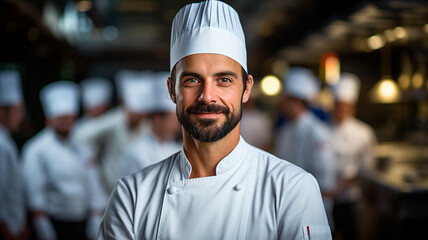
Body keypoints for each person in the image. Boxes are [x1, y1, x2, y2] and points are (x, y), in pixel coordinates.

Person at [97, 1, 331, 239]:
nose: (207, 96)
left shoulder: (292, 189)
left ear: (246, 88)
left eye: (224, 80)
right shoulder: (132, 196)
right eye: (192, 80)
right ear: (171, 90)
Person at [22, 81, 106, 240]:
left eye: (70, 118)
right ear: (49, 119)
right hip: (54, 224)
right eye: (61, 118)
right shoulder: (36, 149)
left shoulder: (82, 148)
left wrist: (94, 224)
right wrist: (45, 232)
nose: (67, 122)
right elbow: (35, 197)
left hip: (83, 225)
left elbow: (94, 188)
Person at [74, 71, 153, 196]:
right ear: (124, 105)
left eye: (141, 112)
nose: (137, 116)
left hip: (139, 188)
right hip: (110, 188)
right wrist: (92, 154)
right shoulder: (115, 120)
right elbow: (83, 135)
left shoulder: (148, 125)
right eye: (134, 110)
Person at [274, 67, 335, 224]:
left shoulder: (317, 132)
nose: (280, 102)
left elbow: (326, 182)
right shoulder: (285, 129)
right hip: (286, 207)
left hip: (310, 210)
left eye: (284, 98)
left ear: (295, 101)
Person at [329, 72, 377, 240]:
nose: (340, 109)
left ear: (352, 107)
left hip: (352, 197)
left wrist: (342, 185)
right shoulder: (323, 130)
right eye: (337, 105)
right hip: (326, 196)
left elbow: (366, 167)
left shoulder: (364, 133)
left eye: (344, 105)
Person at [119, 71, 181, 177]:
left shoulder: (179, 149)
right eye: (173, 120)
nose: (178, 125)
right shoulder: (136, 153)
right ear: (158, 119)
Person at [0, 70, 28, 240]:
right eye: (18, 111)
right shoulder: (1, 144)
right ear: (2, 112)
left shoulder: (6, 139)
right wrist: (6, 230)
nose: (21, 117)